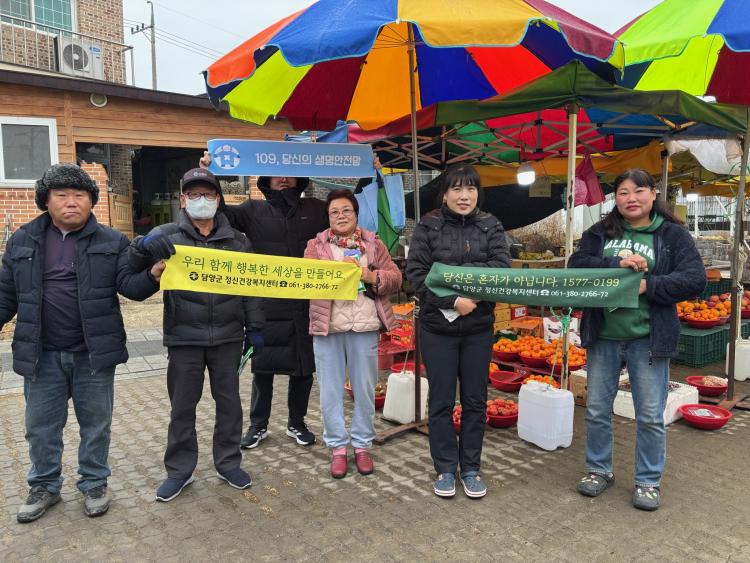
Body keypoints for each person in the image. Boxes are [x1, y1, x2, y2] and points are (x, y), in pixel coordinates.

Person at [0, 164, 157, 522]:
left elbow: (130, 288)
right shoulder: (22, 241)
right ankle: (44, 485)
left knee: (96, 426)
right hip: (41, 355)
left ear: (91, 201)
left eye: (79, 195)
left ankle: (94, 483)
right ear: (46, 201)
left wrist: (152, 275)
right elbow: (6, 295)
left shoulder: (112, 241)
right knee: (40, 427)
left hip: (93, 354)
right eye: (62, 195)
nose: (71, 202)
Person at [568, 168, 706, 511]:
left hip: (648, 337)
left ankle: (647, 481)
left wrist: (648, 285)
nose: (631, 198)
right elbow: (577, 265)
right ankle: (599, 470)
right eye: (623, 192)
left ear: (653, 193)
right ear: (616, 198)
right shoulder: (600, 232)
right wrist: (617, 263)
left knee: (649, 414)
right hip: (604, 335)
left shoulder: (672, 235)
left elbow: (695, 279)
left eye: (638, 191)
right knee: (597, 409)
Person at [128, 168, 265, 502]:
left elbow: (251, 288)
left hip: (228, 338)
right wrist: (144, 245)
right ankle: (179, 470)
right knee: (182, 407)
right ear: (182, 200)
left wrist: (255, 328)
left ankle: (228, 462)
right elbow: (131, 262)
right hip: (184, 338)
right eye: (193, 194)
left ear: (218, 199)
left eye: (207, 194)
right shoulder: (167, 235)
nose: (201, 200)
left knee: (229, 405)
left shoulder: (238, 241)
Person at [200, 152, 327, 449]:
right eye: (276, 173)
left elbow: (348, 210)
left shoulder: (315, 209)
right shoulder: (252, 209)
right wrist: (209, 176)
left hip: (306, 304)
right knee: (263, 368)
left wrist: (369, 176)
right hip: (266, 304)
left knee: (303, 367)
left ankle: (297, 423)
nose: (283, 178)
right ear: (265, 179)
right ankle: (258, 425)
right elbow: (219, 215)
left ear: (298, 177)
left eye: (288, 172)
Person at [406, 164, 511, 499]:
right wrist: (453, 300)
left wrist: (470, 294)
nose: (464, 196)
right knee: (440, 401)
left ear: (478, 193)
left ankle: (470, 468)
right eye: (456, 189)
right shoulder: (429, 226)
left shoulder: (491, 225)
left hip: (478, 328)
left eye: (470, 189)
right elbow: (417, 274)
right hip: (438, 329)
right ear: (444, 194)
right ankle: (446, 468)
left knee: (475, 400)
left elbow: (501, 268)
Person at [304, 190, 401, 478]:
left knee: (364, 389)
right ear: (328, 217)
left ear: (356, 214)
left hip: (364, 326)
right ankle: (337, 447)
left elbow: (396, 278)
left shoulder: (373, 244)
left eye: (346, 210)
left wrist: (373, 276)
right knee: (330, 391)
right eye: (334, 212)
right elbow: (306, 278)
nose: (341, 216)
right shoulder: (315, 246)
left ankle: (361, 445)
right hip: (328, 328)